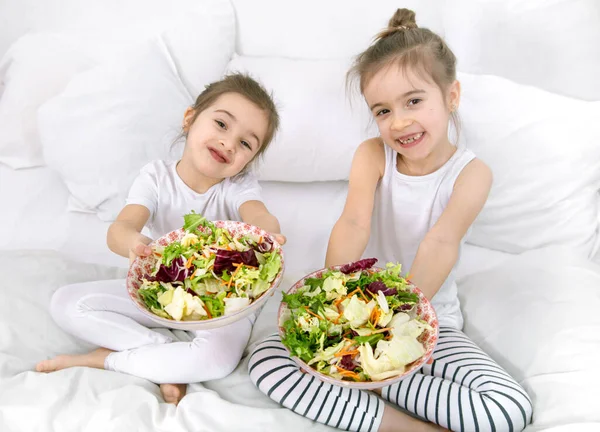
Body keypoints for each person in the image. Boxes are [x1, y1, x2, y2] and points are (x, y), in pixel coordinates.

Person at [248, 9, 533, 432]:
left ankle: (371, 384)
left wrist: (400, 324)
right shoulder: (372, 155)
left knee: (507, 410)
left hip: (425, 320)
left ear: (451, 95)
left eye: (414, 101)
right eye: (382, 111)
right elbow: (353, 225)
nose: (399, 122)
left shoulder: (471, 174)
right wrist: (330, 303)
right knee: (266, 361)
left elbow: (440, 244)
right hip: (352, 316)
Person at [36, 73, 285, 406]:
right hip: (168, 296)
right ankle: (166, 358)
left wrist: (267, 231)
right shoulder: (155, 177)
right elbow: (121, 228)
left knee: (218, 360)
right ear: (190, 119)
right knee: (65, 304)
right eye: (222, 124)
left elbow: (258, 214)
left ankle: (105, 359)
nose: (229, 143)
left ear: (249, 161)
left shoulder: (238, 188)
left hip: (226, 305)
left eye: (245, 143)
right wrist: (136, 244)